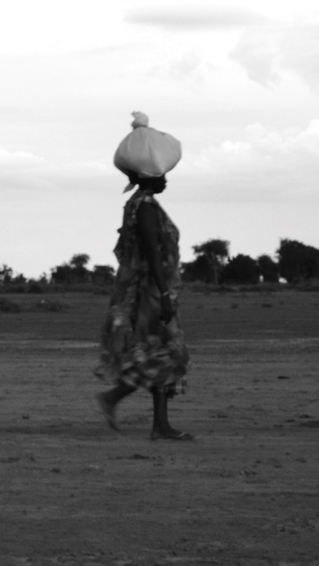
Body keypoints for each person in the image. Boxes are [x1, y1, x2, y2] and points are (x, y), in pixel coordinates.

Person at [95, 111, 191, 439]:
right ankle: (114, 398)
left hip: (143, 290)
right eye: (161, 176)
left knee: (157, 353)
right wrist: (164, 295)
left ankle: (160, 425)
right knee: (164, 353)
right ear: (149, 178)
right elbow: (151, 253)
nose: (166, 180)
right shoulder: (146, 208)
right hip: (151, 292)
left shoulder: (135, 204)